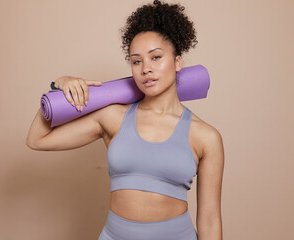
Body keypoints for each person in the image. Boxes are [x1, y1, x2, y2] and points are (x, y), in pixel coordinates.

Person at [26, 0, 224, 239]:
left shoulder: (205, 136)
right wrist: (59, 88)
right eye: (136, 61)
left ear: (178, 62)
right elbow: (37, 140)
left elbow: (210, 221)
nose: (146, 69)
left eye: (156, 57)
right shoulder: (113, 117)